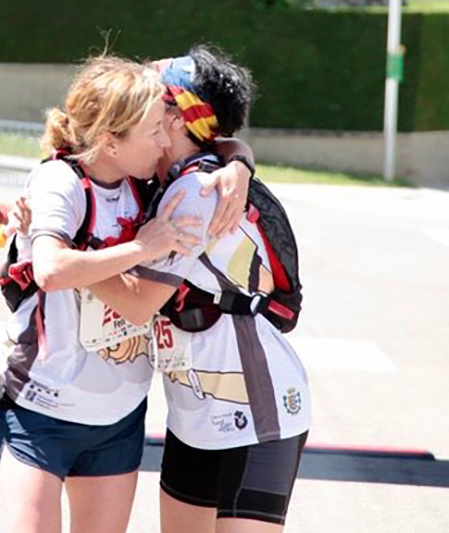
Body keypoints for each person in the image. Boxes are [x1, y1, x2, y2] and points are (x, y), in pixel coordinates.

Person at [87, 46, 311, 532]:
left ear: (175, 117)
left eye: (151, 96)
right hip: (193, 416)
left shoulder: (195, 191)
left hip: (256, 413)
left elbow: (139, 303)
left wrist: (65, 259)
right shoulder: (166, 180)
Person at [0, 54, 200, 533]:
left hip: (118, 415)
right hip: (40, 407)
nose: (164, 141)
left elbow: (217, 146)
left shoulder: (145, 181)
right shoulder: (60, 181)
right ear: (109, 141)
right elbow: (50, 269)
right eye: (154, 130)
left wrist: (240, 164)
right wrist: (141, 247)